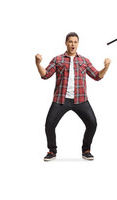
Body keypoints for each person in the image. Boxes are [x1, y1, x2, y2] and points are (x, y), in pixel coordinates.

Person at [35, 32, 111, 161]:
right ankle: (52, 151)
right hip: (60, 100)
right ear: (66, 43)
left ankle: (86, 150)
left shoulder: (84, 60)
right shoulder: (57, 59)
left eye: (75, 42)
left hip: (80, 100)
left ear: (78, 44)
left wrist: (106, 67)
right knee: (49, 125)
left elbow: (97, 76)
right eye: (70, 41)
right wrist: (38, 64)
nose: (73, 44)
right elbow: (45, 75)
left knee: (92, 123)